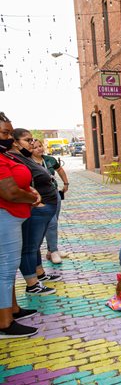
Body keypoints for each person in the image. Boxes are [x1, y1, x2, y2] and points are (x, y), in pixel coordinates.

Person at [0, 112, 40, 338]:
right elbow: (8, 191)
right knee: (5, 270)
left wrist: (27, 191)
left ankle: (12, 310)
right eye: (5, 133)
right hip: (5, 217)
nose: (9, 138)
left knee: (8, 269)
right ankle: (4, 323)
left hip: (12, 217)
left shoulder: (5, 155)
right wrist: (31, 197)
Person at [8, 128, 62, 294]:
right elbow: (17, 184)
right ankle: (32, 284)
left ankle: (40, 274)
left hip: (46, 208)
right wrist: (35, 202)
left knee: (36, 245)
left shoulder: (25, 157)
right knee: (30, 247)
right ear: (15, 142)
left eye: (32, 140)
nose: (32, 143)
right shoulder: (15, 159)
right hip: (38, 209)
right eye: (27, 140)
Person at [31, 139, 69, 264]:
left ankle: (51, 250)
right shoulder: (29, 162)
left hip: (54, 194)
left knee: (54, 223)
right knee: (51, 223)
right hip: (40, 197)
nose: (39, 149)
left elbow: (60, 170)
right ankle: (53, 251)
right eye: (36, 147)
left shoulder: (49, 159)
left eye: (40, 146)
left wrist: (65, 183)